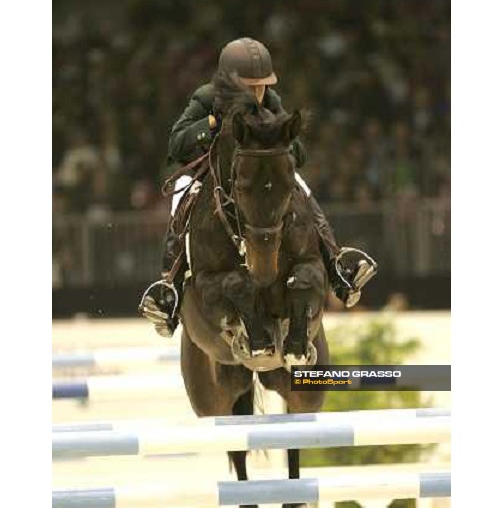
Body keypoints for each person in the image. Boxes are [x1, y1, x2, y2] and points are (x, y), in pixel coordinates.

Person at [140, 37, 377, 337]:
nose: (257, 92)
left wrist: (280, 142)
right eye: (249, 86)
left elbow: (299, 153)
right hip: (208, 172)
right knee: (183, 196)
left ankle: (337, 266)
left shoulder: (270, 102)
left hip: (256, 177)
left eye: (261, 85)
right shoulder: (206, 98)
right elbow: (175, 144)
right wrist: (211, 124)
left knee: (301, 188)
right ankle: (169, 290)